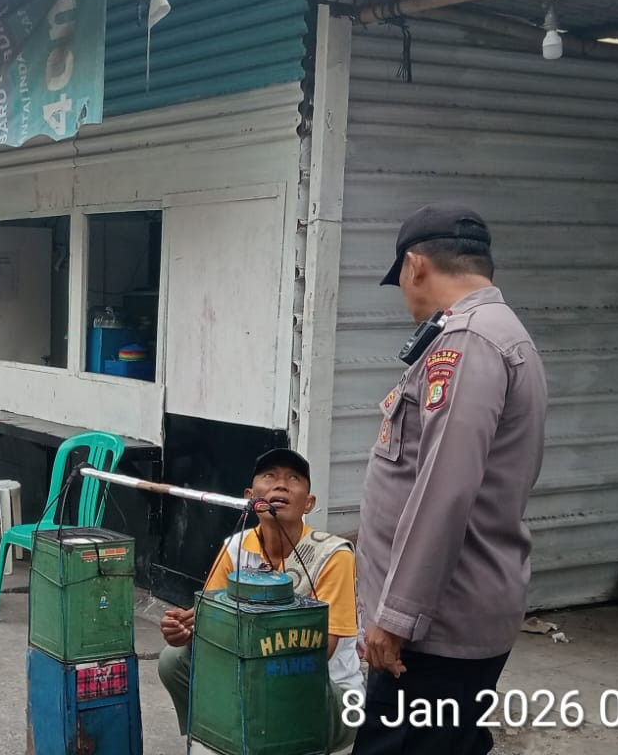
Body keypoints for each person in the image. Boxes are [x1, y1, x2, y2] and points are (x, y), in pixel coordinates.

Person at [354, 204, 547, 755]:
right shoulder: (495, 333)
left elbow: (444, 490)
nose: (406, 296)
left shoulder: (468, 341)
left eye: (402, 282)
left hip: (434, 628)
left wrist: (395, 618)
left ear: (416, 266)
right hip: (450, 615)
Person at [157, 449, 359, 750]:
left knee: (280, 689)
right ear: (250, 496)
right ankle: (215, 735)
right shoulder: (236, 546)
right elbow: (210, 624)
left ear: (309, 503)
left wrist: (238, 634)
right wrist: (187, 633)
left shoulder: (333, 555)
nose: (281, 485)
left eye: (293, 479)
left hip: (324, 690)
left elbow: (319, 651)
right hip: (252, 683)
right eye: (270, 477)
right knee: (174, 661)